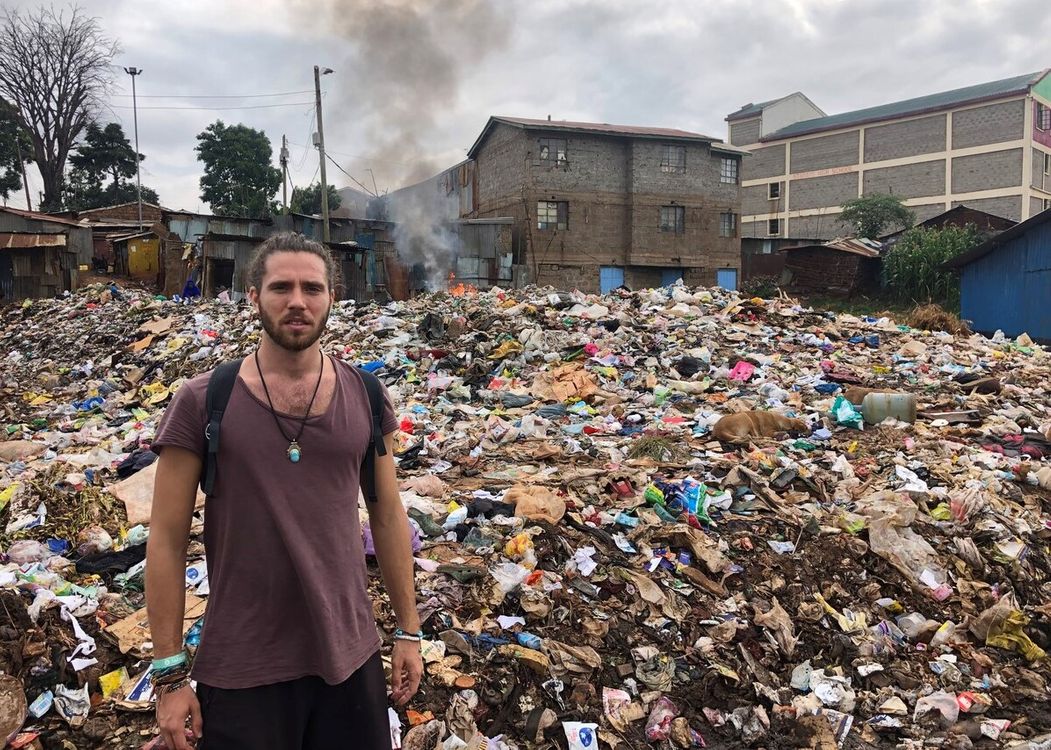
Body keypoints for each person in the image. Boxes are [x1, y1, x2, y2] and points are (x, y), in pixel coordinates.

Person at [146, 232, 422, 749]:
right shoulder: (204, 402)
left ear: (331, 299)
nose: (297, 301)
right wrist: (169, 676)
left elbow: (387, 517)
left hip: (350, 658)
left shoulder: (365, 395)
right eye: (281, 287)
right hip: (242, 666)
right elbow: (165, 540)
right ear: (253, 297)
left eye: (312, 288)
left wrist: (408, 631)